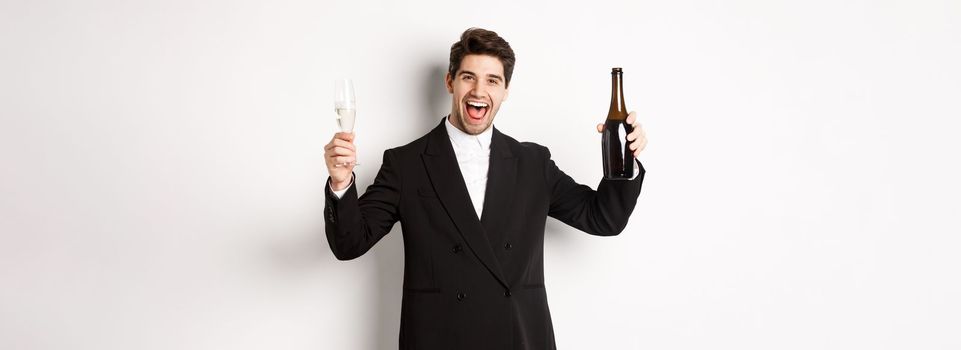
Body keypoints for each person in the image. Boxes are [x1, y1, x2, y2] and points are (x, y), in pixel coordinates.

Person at [323, 27, 647, 350]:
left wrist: (625, 161)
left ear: (505, 90)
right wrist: (341, 182)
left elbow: (604, 219)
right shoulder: (406, 163)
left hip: (518, 338)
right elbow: (349, 243)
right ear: (450, 82)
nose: (479, 90)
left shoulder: (533, 163)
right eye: (468, 77)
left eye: (493, 80)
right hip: (440, 339)